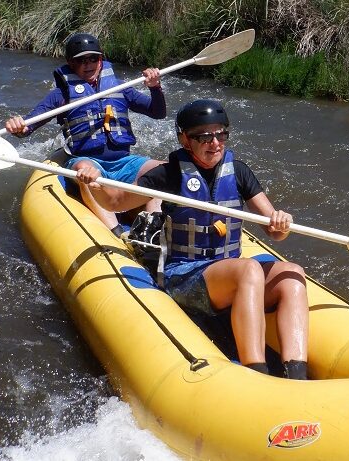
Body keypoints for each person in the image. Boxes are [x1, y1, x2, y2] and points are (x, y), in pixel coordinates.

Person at [76, 99, 309, 380]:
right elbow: (116, 202)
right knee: (248, 269)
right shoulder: (171, 173)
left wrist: (281, 222)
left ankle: (297, 373)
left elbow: (275, 231)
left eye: (221, 134)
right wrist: (95, 183)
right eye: (205, 137)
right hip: (184, 275)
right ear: (185, 140)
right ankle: (256, 373)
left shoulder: (239, 171)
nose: (215, 143)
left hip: (228, 274)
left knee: (292, 274)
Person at [5, 32, 166, 236]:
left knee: (163, 170)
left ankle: (151, 230)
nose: (88, 64)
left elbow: (158, 112)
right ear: (71, 63)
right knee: (86, 171)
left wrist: (155, 87)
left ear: (101, 59)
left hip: (123, 162)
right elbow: (29, 126)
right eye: (81, 60)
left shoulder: (121, 88)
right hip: (87, 161)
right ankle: (116, 233)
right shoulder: (62, 95)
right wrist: (19, 127)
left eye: (93, 58)